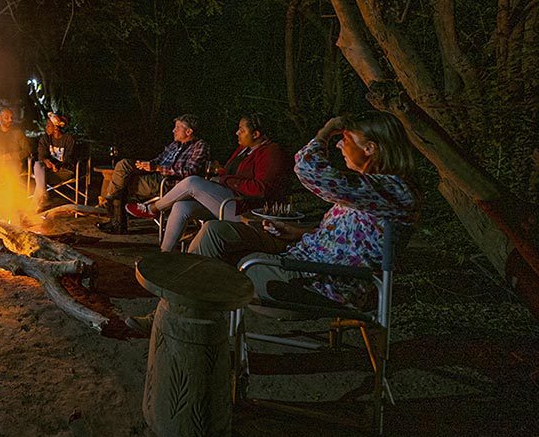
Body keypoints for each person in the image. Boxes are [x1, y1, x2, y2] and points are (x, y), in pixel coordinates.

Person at [125, 112, 420, 334]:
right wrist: (295, 231)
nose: (340, 146)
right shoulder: (373, 190)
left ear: (370, 149)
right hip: (300, 258)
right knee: (213, 232)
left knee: (214, 270)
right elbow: (343, 238)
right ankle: (171, 314)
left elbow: (306, 167)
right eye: (339, 139)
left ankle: (174, 325)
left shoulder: (392, 191)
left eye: (346, 140)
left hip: (313, 282)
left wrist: (326, 131)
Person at [126, 112, 291, 252]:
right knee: (181, 206)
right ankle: (165, 254)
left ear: (256, 134)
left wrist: (225, 179)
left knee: (192, 182)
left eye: (241, 130)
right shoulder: (244, 150)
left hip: (246, 210)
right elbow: (228, 173)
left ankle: (153, 208)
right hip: (228, 201)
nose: (236, 133)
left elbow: (260, 189)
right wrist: (220, 173)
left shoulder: (272, 152)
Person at [98, 114, 210, 234]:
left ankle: (113, 212)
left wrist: (158, 168)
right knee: (123, 164)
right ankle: (111, 202)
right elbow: (158, 159)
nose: (174, 131)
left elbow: (190, 172)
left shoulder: (200, 146)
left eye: (177, 128)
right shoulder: (174, 145)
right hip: (155, 175)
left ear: (188, 131)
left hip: (169, 183)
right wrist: (146, 165)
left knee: (121, 183)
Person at [32, 112, 77, 211]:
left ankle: (32, 208)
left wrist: (57, 165)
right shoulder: (45, 138)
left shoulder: (69, 139)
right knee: (37, 164)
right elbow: (41, 155)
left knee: (40, 181)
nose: (46, 127)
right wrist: (46, 161)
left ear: (56, 128)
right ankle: (43, 199)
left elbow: (69, 158)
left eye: (48, 125)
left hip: (64, 172)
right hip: (48, 171)